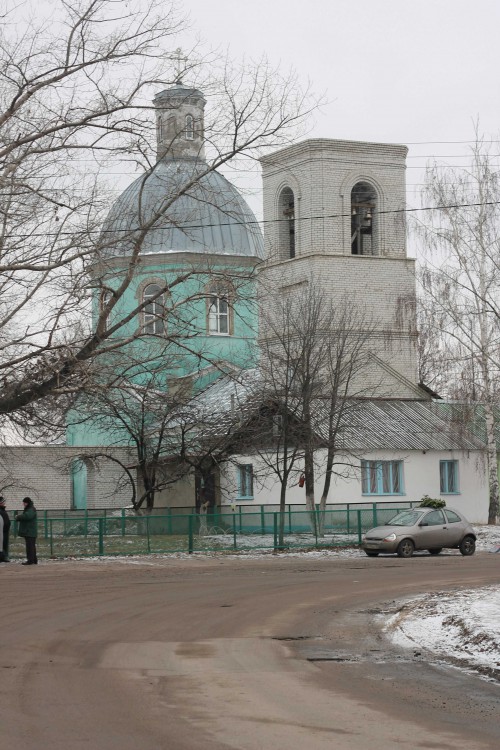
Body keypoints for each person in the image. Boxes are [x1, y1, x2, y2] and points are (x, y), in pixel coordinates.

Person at [16, 497, 38, 565]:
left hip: (29, 531)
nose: (23, 504)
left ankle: (30, 560)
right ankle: (34, 560)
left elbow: (27, 516)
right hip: (30, 531)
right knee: (31, 546)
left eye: (24, 503)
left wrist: (18, 517)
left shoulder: (30, 509)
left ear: (27, 503)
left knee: (30, 547)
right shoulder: (31, 509)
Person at [0, 496, 11, 562]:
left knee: (4, 544)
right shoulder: (1, 511)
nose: (4, 503)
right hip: (2, 531)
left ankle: (3, 556)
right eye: (3, 502)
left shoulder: (3, 510)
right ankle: (3, 557)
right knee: (2, 544)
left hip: (5, 531)